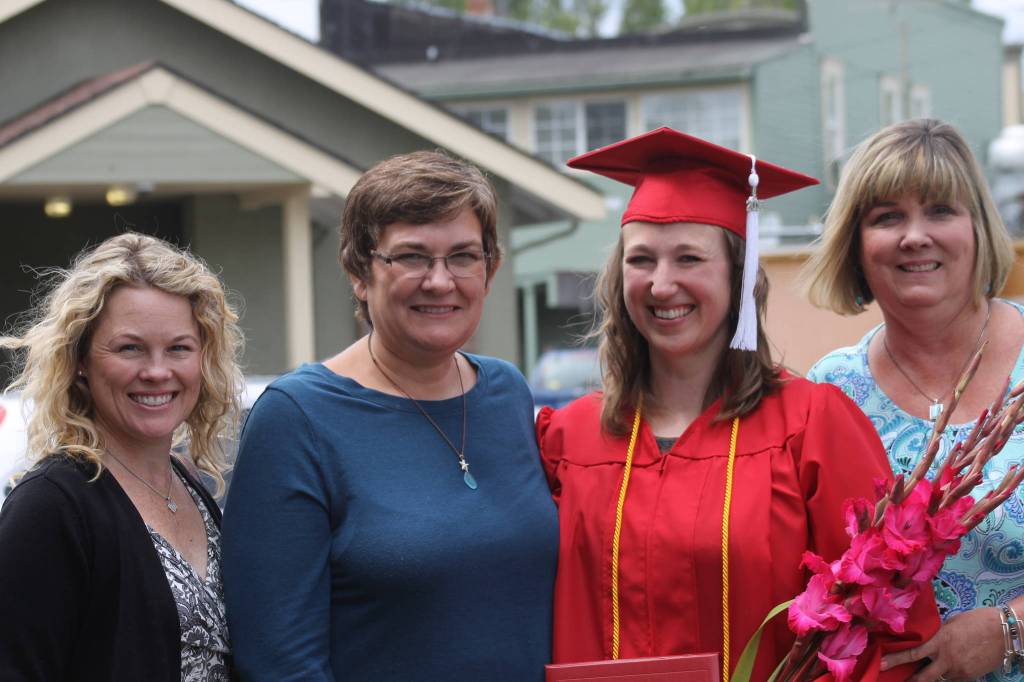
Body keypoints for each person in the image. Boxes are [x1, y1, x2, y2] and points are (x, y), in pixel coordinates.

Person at [537, 127, 941, 681]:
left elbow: (886, 630)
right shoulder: (567, 439)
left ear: (739, 275)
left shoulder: (810, 427)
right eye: (641, 261)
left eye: (688, 259)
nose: (661, 285)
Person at [221, 151, 558, 681]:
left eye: (464, 256)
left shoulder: (507, 395)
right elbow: (278, 661)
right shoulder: (297, 418)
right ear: (359, 272)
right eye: (412, 257)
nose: (440, 281)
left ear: (489, 271)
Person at [804, 118, 1024, 682]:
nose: (914, 235)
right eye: (887, 217)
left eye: (940, 210)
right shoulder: (828, 393)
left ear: (978, 227)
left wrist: (1008, 631)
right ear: (855, 245)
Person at [0, 232, 244, 682]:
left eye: (178, 348)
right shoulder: (51, 506)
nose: (156, 371)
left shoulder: (192, 488)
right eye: (130, 348)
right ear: (80, 359)